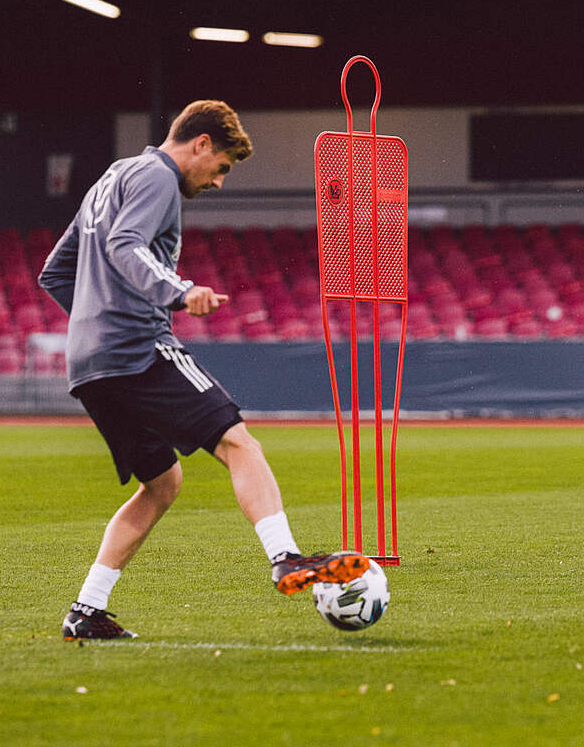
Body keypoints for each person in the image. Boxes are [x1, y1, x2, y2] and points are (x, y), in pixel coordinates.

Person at [39, 100, 369, 639]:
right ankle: (285, 557)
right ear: (201, 143)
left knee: (162, 484)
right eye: (221, 167)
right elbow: (124, 244)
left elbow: (55, 273)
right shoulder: (157, 177)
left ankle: (86, 610)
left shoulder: (111, 177)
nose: (217, 182)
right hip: (139, 350)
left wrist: (95, 322)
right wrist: (178, 291)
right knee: (239, 443)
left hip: (90, 363)